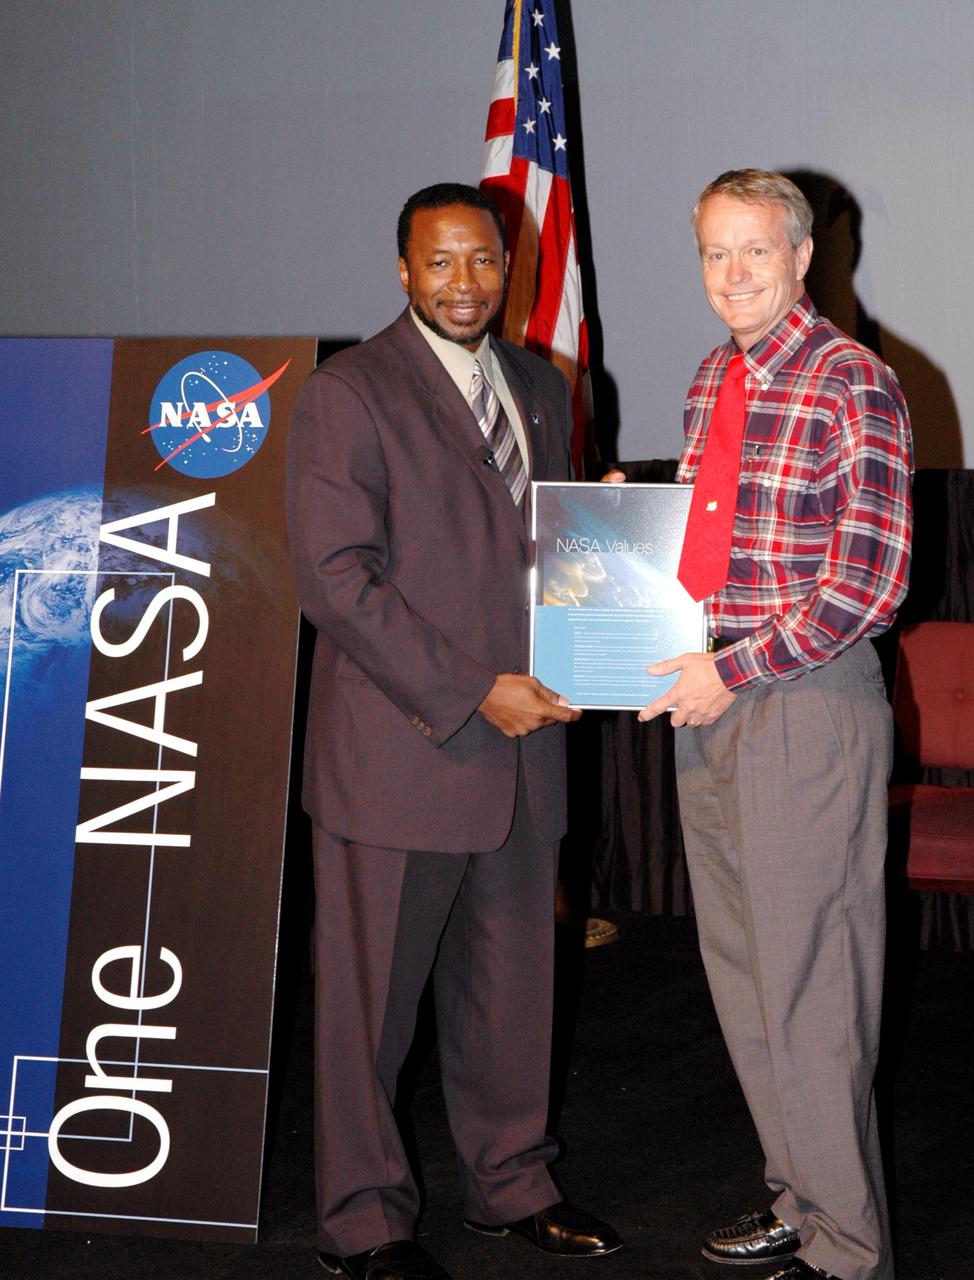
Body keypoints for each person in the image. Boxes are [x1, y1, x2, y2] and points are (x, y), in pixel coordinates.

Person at [286, 183, 622, 1280]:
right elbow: (338, 583)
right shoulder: (349, 392)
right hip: (403, 750)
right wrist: (477, 686)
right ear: (401, 271)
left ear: (505, 263)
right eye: (439, 264)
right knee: (368, 1013)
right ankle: (363, 1220)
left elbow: (530, 551)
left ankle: (509, 1181)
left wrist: (601, 532)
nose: (464, 284)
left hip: (525, 753)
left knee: (513, 989)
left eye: (480, 261)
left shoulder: (537, 380)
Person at [608, 169, 912, 1280]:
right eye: (711, 253)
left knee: (811, 981)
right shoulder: (709, 379)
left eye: (753, 252)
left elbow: (865, 586)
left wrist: (731, 670)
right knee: (744, 975)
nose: (731, 275)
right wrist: (619, 525)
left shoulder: (851, 382)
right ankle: (800, 1195)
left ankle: (846, 1248)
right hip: (711, 701)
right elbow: (712, 547)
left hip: (800, 703)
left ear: (800, 260)